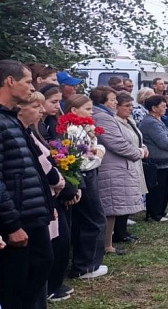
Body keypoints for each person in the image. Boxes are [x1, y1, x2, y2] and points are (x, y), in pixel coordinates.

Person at [0, 60, 58, 309]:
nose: (31, 86)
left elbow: (30, 168)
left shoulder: (11, 119)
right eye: (26, 81)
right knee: (16, 287)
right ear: (10, 81)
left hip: (33, 215)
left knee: (40, 269)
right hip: (18, 220)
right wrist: (11, 224)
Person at [17, 90, 69, 302]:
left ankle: (48, 289)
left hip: (43, 198)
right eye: (36, 107)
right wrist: (60, 182)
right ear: (20, 110)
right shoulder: (20, 132)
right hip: (33, 201)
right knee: (39, 259)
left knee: (49, 252)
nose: (41, 111)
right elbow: (42, 164)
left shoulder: (29, 132)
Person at [91, 87, 145, 256]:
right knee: (110, 209)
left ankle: (108, 244)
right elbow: (117, 143)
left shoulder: (106, 116)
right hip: (111, 169)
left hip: (117, 168)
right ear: (103, 102)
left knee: (112, 210)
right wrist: (139, 153)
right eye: (113, 99)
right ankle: (106, 246)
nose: (115, 102)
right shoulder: (103, 117)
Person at [64, 94, 109, 279]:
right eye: (88, 109)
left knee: (89, 219)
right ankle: (86, 265)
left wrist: (98, 151)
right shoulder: (73, 130)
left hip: (89, 174)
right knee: (94, 219)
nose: (92, 113)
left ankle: (85, 262)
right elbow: (82, 160)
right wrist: (98, 156)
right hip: (85, 175)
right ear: (74, 111)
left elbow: (96, 146)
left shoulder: (84, 128)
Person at [112, 92, 147, 244]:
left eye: (131, 106)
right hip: (124, 163)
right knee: (123, 198)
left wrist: (143, 146)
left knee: (131, 195)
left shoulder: (130, 120)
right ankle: (119, 233)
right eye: (127, 106)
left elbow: (137, 137)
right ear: (117, 107)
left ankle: (124, 230)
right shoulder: (115, 122)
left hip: (136, 160)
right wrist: (138, 151)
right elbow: (123, 143)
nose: (130, 109)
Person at [141, 95, 168, 222]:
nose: (165, 108)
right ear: (153, 108)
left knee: (164, 187)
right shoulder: (151, 122)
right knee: (156, 189)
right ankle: (154, 213)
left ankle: (161, 211)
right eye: (162, 106)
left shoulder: (158, 120)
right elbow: (163, 141)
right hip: (156, 161)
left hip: (164, 161)